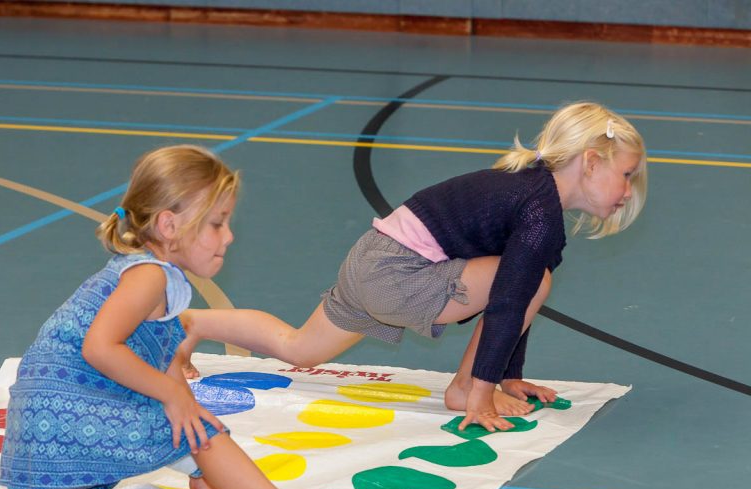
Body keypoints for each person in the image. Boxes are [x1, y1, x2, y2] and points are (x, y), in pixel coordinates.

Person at [0, 144, 376, 489]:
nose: (228, 236)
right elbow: (100, 349)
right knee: (207, 434)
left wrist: (193, 453)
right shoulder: (148, 278)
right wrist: (178, 403)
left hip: (37, 427)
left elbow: (160, 354)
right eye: (217, 223)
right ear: (169, 225)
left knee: (192, 424)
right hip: (65, 410)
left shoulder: (148, 270)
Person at [179, 102, 647, 433]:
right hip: (398, 274)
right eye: (626, 175)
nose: (628, 191)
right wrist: (482, 390)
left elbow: (513, 295)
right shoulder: (539, 209)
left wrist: (509, 376)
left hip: (372, 256)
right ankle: (465, 388)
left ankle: (192, 323)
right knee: (532, 281)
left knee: (299, 347)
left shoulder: (530, 188)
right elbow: (509, 302)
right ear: (590, 163)